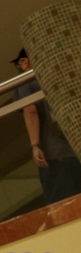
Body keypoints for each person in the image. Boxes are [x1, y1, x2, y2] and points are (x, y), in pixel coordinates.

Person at [14, 50, 81, 205]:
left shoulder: (26, 81)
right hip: (76, 149)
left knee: (63, 210)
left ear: (26, 61)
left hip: (55, 156)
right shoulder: (62, 73)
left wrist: (35, 145)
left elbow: (30, 111)